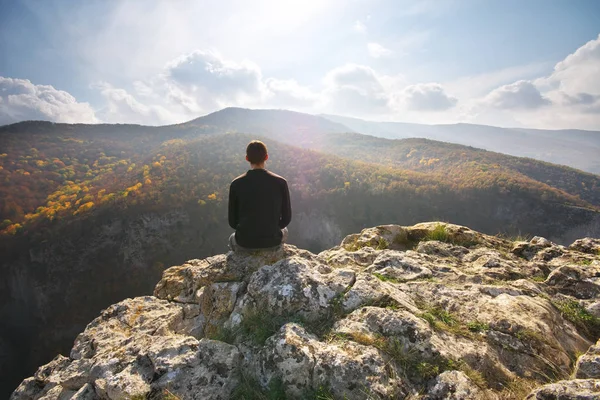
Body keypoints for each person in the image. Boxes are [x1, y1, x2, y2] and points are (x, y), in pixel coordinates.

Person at [228, 140, 291, 252]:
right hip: (272, 241)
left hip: (244, 242)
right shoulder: (281, 182)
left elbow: (232, 222)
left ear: (247, 158)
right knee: (284, 230)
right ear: (266, 157)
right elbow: (286, 219)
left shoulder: (236, 184)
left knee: (231, 238)